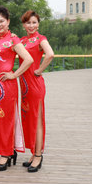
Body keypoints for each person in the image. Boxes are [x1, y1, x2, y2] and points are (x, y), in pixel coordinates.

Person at [0, 6, 33, 171]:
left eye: (2, 21)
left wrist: (14, 75)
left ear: (8, 22)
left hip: (7, 86)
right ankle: (8, 151)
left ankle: (6, 154)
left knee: (7, 119)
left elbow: (28, 59)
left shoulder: (13, 40)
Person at [19, 10, 54, 172]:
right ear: (23, 25)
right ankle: (34, 153)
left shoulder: (41, 39)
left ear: (38, 23)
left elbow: (50, 54)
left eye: (34, 22)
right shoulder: (22, 41)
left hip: (35, 85)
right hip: (24, 86)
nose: (31, 26)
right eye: (28, 23)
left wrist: (39, 70)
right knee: (30, 120)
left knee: (37, 120)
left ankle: (38, 155)